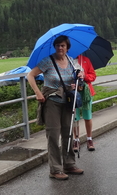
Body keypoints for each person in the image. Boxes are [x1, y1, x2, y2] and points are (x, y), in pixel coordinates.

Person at [27, 36, 85, 180]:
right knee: (53, 134)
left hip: (67, 101)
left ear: (67, 47)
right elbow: (30, 75)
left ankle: (69, 164)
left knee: (68, 133)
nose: (60, 48)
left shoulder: (72, 61)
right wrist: (38, 93)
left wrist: (78, 80)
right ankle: (55, 169)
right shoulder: (48, 61)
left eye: (63, 46)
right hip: (52, 101)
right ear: (55, 47)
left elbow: (78, 81)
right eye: (58, 45)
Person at [72, 54, 97, 151]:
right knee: (75, 117)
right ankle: (76, 139)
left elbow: (93, 76)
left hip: (86, 92)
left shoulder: (85, 60)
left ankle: (89, 139)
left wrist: (85, 75)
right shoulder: (66, 61)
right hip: (73, 92)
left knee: (87, 115)